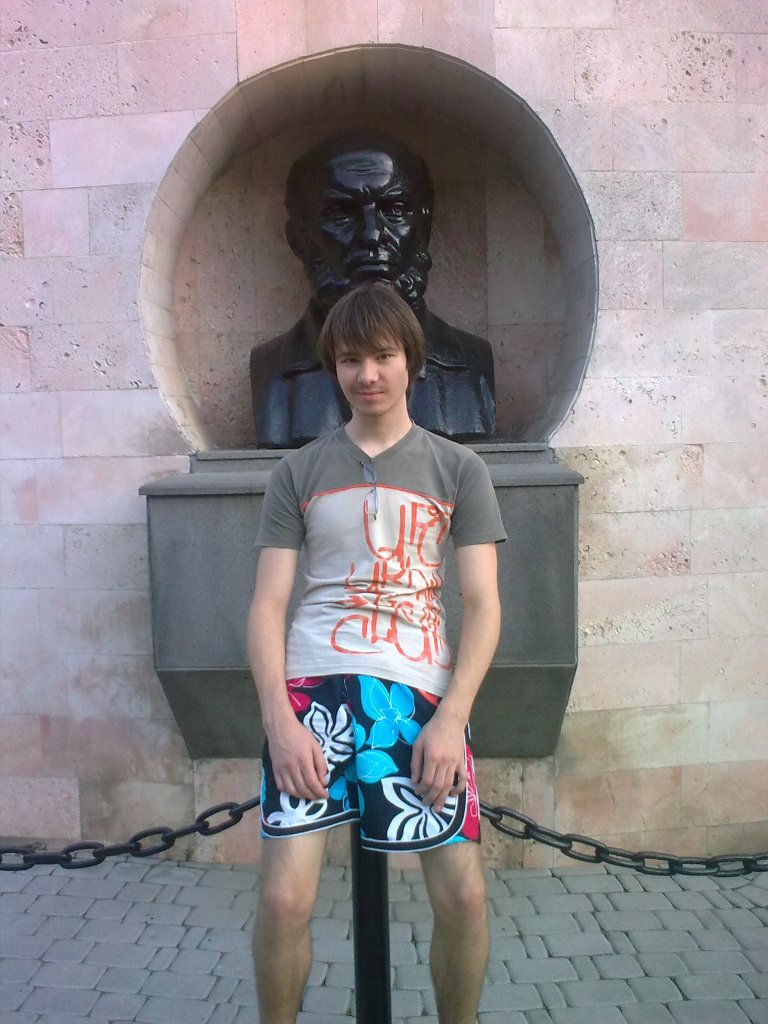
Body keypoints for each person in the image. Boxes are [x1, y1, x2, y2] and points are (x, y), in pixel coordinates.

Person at [247, 282, 505, 1024]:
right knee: (283, 900)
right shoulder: (296, 471)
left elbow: (484, 604)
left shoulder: (459, 468)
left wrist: (452, 716)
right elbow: (267, 604)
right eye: (351, 360)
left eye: (383, 356)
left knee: (464, 896)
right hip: (314, 693)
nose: (368, 375)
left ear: (411, 362)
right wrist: (279, 720)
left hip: (418, 694)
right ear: (333, 366)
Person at [250, 130, 496, 447]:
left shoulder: (473, 364)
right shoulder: (270, 369)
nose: (372, 235)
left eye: (395, 210)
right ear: (298, 239)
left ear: (424, 228)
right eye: (341, 214)